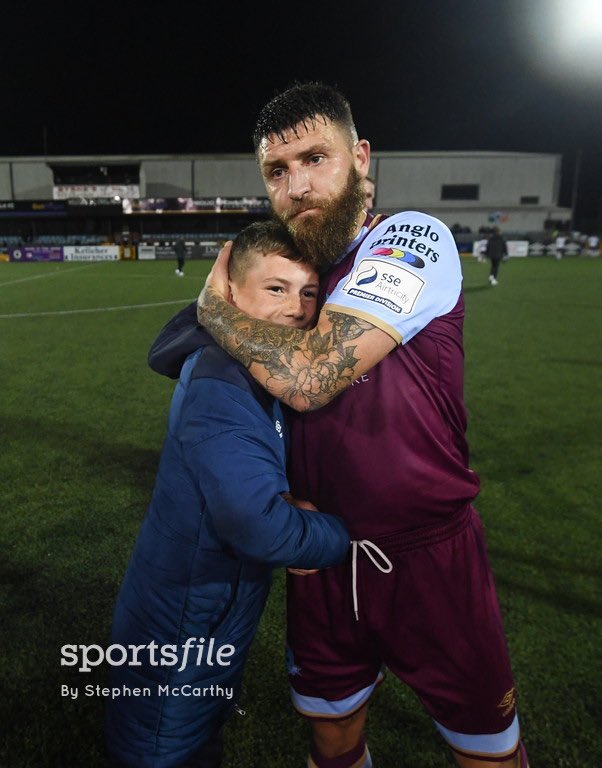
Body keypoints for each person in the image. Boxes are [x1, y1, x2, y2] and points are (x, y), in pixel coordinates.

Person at [150, 83, 528, 768]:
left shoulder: (410, 238)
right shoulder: (294, 279)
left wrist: (214, 302)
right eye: (276, 170)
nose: (295, 185)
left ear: (359, 157)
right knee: (332, 735)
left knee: (487, 753)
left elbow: (309, 378)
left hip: (428, 560)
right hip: (320, 556)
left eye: (315, 158)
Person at [106, 220, 350, 768]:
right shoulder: (224, 379)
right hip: (182, 626)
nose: (296, 308)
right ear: (230, 291)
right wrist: (341, 537)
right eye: (276, 288)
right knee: (162, 745)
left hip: (205, 613)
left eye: (308, 292)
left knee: (192, 736)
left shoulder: (253, 367)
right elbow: (256, 522)